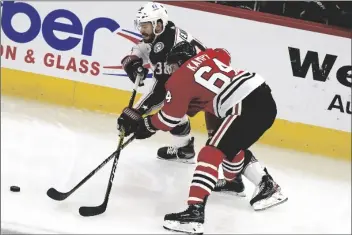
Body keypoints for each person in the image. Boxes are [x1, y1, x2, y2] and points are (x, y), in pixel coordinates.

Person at [118, 41, 288, 234]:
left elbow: (169, 118)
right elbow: (225, 53)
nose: (172, 70)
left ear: (181, 62)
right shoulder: (211, 55)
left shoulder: (179, 79)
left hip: (245, 104)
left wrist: (144, 126)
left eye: (173, 65)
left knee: (211, 152)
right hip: (260, 96)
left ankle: (194, 214)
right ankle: (239, 183)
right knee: (227, 144)